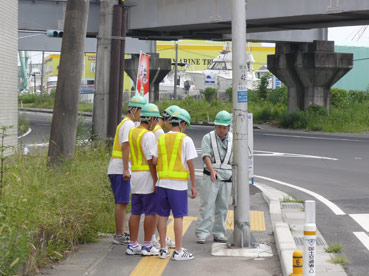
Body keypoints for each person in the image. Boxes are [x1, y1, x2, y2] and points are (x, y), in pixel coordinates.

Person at [152, 108, 197, 261]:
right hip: (178, 186)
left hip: (162, 183)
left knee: (163, 216)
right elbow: (190, 165)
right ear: (182, 123)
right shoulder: (186, 139)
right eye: (186, 125)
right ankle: (178, 251)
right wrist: (194, 186)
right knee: (178, 217)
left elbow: (154, 161)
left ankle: (163, 249)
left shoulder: (161, 138)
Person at [107, 95, 147, 245]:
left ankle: (121, 232)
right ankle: (119, 234)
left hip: (118, 167)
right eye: (141, 111)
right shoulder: (128, 125)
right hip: (119, 168)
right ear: (134, 109)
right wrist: (126, 169)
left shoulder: (126, 123)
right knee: (122, 201)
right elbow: (125, 146)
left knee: (122, 201)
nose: (142, 115)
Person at [126, 103, 162, 256]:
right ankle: (147, 245)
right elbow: (150, 160)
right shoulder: (148, 135)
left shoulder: (133, 132)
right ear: (152, 118)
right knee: (150, 212)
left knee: (135, 211)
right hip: (147, 175)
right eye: (156, 119)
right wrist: (155, 180)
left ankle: (133, 244)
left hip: (135, 174)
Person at [195, 110, 233, 244]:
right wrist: (211, 170)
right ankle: (202, 233)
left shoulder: (234, 139)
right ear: (215, 126)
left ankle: (219, 233)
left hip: (227, 178)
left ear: (228, 127)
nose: (221, 130)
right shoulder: (208, 137)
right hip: (211, 176)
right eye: (219, 127)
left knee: (223, 207)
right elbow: (206, 155)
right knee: (207, 205)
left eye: (224, 127)